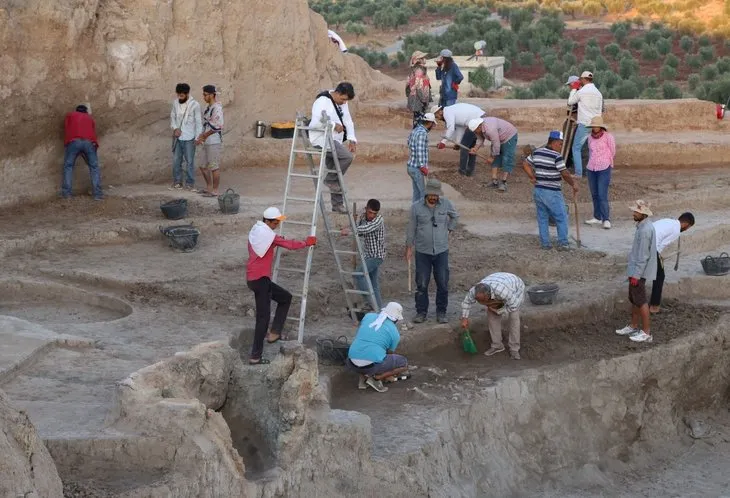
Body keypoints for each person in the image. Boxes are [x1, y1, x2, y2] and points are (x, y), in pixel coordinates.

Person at [245, 207, 317, 364]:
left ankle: (275, 332)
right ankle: (255, 356)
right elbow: (289, 244)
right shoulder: (269, 236)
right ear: (268, 221)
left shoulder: (257, 231)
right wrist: (306, 242)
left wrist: (275, 241)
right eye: (276, 222)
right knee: (262, 318)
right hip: (261, 280)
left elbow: (266, 245)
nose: (277, 224)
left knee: (285, 298)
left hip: (253, 278)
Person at [405, 178, 459, 324]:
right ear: (427, 193)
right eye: (432, 195)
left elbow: (455, 216)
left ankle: (441, 312)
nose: (434, 197)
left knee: (442, 282)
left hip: (441, 251)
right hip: (422, 251)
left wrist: (449, 229)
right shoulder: (416, 207)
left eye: (436, 195)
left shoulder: (446, 204)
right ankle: (421, 312)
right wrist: (409, 247)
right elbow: (411, 228)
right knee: (422, 284)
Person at [521, 131, 579, 250]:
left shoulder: (537, 152)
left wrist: (532, 177)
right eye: (560, 144)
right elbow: (565, 173)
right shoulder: (556, 157)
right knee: (561, 217)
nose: (561, 147)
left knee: (542, 218)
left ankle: (545, 244)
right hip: (552, 192)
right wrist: (573, 184)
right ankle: (563, 243)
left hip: (538, 190)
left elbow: (525, 164)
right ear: (555, 142)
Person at [309, 82, 358, 213]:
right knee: (346, 158)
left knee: (336, 169)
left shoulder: (343, 102)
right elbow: (316, 120)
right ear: (337, 93)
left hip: (335, 140)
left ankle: (337, 205)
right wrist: (333, 125)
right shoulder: (322, 101)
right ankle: (329, 180)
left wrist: (352, 139)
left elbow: (347, 120)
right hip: (322, 139)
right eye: (342, 99)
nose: (344, 102)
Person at [616, 200, 657, 343]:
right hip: (635, 271)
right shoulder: (642, 226)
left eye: (636, 212)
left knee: (641, 301)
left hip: (638, 272)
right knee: (634, 299)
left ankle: (646, 333)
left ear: (643, 214)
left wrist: (636, 275)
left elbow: (643, 256)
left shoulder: (645, 231)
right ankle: (634, 325)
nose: (634, 213)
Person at [460, 273, 525, 360]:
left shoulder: (503, 292)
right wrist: (464, 319)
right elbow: (467, 303)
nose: (481, 302)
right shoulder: (474, 291)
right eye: (477, 300)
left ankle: (514, 348)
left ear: (488, 295)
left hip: (516, 287)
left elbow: (514, 306)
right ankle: (497, 345)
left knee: (514, 317)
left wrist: (500, 310)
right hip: (498, 282)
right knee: (491, 313)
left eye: (482, 300)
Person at [347, 302, 408, 393]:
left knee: (366, 354)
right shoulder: (395, 333)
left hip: (351, 362)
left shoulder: (368, 316)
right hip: (371, 366)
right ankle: (376, 378)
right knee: (403, 363)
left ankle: (363, 378)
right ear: (396, 319)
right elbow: (389, 353)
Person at [340, 199, 386, 310]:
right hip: (368, 255)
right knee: (373, 285)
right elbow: (358, 229)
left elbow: (366, 229)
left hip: (377, 256)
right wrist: (351, 225)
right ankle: (378, 310)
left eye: (374, 213)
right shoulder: (363, 216)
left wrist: (350, 230)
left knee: (358, 274)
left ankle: (370, 304)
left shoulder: (379, 220)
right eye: (370, 212)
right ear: (366, 209)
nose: (372, 215)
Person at [650, 212, 695, 314]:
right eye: (688, 227)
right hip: (651, 248)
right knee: (660, 276)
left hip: (645, 242)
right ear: (686, 224)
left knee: (654, 274)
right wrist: (657, 256)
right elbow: (661, 244)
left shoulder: (669, 221)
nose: (686, 229)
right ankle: (654, 306)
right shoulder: (676, 230)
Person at [62, 104, 103, 200]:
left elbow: (67, 128)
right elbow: (92, 132)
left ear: (76, 110)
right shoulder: (90, 118)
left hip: (74, 141)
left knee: (68, 166)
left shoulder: (70, 115)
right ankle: (97, 195)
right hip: (89, 143)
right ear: (86, 111)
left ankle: (67, 194)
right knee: (94, 167)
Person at [433, 103, 487, 176]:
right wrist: (458, 143)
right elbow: (460, 128)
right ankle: (469, 171)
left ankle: (462, 172)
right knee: (471, 148)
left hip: (477, 122)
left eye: (436, 116)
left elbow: (451, 128)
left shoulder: (447, 112)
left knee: (464, 147)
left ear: (439, 111)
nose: (438, 118)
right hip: (479, 119)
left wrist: (443, 142)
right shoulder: (451, 111)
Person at [567, 71, 603, 178]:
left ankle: (578, 173)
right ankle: (592, 171)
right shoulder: (598, 93)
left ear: (583, 80)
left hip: (584, 124)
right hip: (595, 124)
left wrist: (574, 88)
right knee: (592, 148)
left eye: (581, 80)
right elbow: (600, 110)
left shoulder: (582, 92)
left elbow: (570, 102)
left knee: (576, 148)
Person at [467, 116, 518, 192]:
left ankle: (504, 182)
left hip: (509, 136)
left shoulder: (490, 129)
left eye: (475, 131)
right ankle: (494, 181)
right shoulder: (478, 128)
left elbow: (496, 145)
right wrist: (475, 148)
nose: (475, 132)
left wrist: (492, 157)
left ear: (479, 126)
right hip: (497, 138)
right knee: (495, 155)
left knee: (506, 158)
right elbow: (480, 138)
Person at [584, 116, 615, 229]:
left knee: (602, 194)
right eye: (593, 126)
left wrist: (608, 162)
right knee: (594, 194)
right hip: (591, 168)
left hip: (604, 168)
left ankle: (606, 219)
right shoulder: (589, 138)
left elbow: (612, 151)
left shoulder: (608, 137)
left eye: (596, 126)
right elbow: (590, 152)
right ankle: (597, 217)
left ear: (601, 127)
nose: (595, 128)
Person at [170, 83, 203, 190]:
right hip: (178, 138)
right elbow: (173, 117)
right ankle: (177, 182)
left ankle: (189, 183)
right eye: (178, 95)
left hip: (190, 138)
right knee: (176, 160)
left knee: (189, 161)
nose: (180, 97)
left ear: (187, 94)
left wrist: (198, 137)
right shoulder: (175, 103)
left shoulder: (195, 105)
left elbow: (198, 122)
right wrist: (175, 128)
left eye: (182, 96)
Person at [194, 85, 224, 197]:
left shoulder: (217, 108)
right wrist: (200, 137)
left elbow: (217, 126)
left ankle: (215, 190)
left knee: (214, 166)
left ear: (212, 95)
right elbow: (206, 125)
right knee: (202, 165)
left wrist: (204, 136)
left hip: (214, 141)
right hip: (207, 141)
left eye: (205, 94)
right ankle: (209, 188)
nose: (204, 97)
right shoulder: (209, 108)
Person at [406, 112, 437, 202]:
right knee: (423, 193)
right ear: (430, 123)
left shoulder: (415, 130)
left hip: (411, 166)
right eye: (433, 124)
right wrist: (422, 166)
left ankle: (415, 212)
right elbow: (419, 150)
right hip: (417, 168)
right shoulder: (422, 133)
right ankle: (422, 214)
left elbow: (409, 142)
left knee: (417, 192)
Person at [405, 50, 432, 127]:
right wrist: (423, 99)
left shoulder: (417, 69)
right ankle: (417, 136)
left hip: (417, 98)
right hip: (418, 99)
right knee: (419, 120)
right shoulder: (419, 70)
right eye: (422, 58)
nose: (424, 59)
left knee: (417, 119)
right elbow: (419, 85)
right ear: (418, 59)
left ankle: (416, 135)